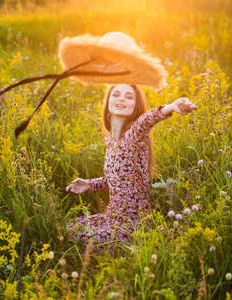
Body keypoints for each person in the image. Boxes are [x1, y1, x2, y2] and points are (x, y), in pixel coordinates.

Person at [66, 84, 197, 251]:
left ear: (135, 107)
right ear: (108, 103)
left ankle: (132, 246)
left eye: (129, 96)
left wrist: (171, 107)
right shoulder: (111, 141)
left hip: (134, 222)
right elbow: (116, 179)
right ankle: (121, 248)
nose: (121, 98)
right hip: (113, 217)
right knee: (71, 227)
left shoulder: (134, 135)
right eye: (116, 94)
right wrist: (89, 184)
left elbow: (147, 120)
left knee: (86, 239)